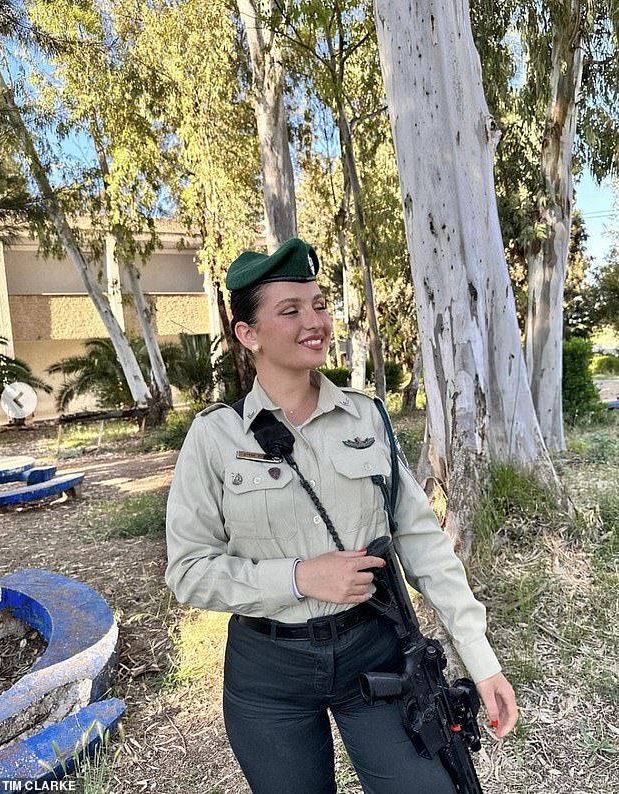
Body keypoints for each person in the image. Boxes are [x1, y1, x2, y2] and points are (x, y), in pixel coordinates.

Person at [165, 238, 518, 794]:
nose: (315, 321)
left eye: (319, 304)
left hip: (374, 654)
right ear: (248, 335)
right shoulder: (215, 437)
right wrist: (301, 576)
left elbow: (422, 542)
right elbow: (188, 571)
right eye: (291, 310)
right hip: (268, 674)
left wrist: (481, 659)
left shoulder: (367, 417)